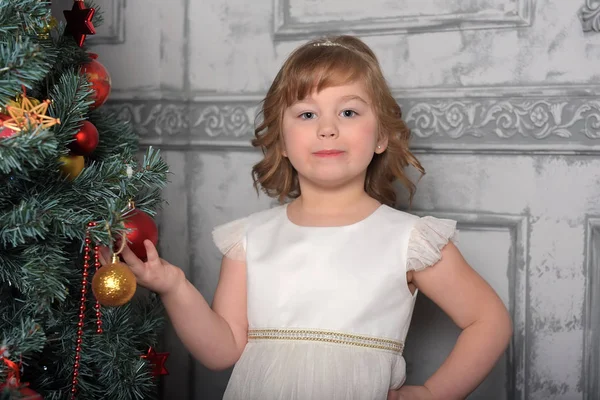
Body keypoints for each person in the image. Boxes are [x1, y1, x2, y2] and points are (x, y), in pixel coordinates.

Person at [104, 35, 512, 400]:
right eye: (307, 114)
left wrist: (430, 393)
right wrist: (174, 287)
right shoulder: (250, 239)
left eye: (349, 113)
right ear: (281, 140)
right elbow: (222, 350)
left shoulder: (408, 240)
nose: (328, 129)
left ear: (382, 136)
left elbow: (488, 321)